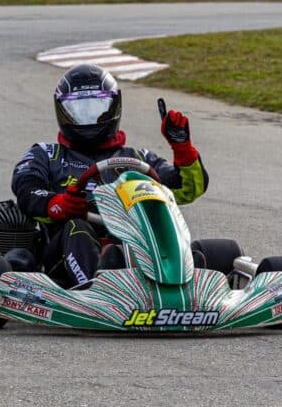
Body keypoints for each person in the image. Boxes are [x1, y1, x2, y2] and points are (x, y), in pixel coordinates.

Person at [11, 64, 208, 287]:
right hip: (63, 255)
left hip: (133, 244)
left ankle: (184, 278)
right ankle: (95, 286)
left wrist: (182, 149)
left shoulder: (138, 158)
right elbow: (26, 189)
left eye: (97, 107)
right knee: (77, 227)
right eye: (79, 110)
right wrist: (57, 203)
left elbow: (187, 189)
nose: (89, 118)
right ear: (62, 111)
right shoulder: (48, 155)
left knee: (181, 236)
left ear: (114, 107)